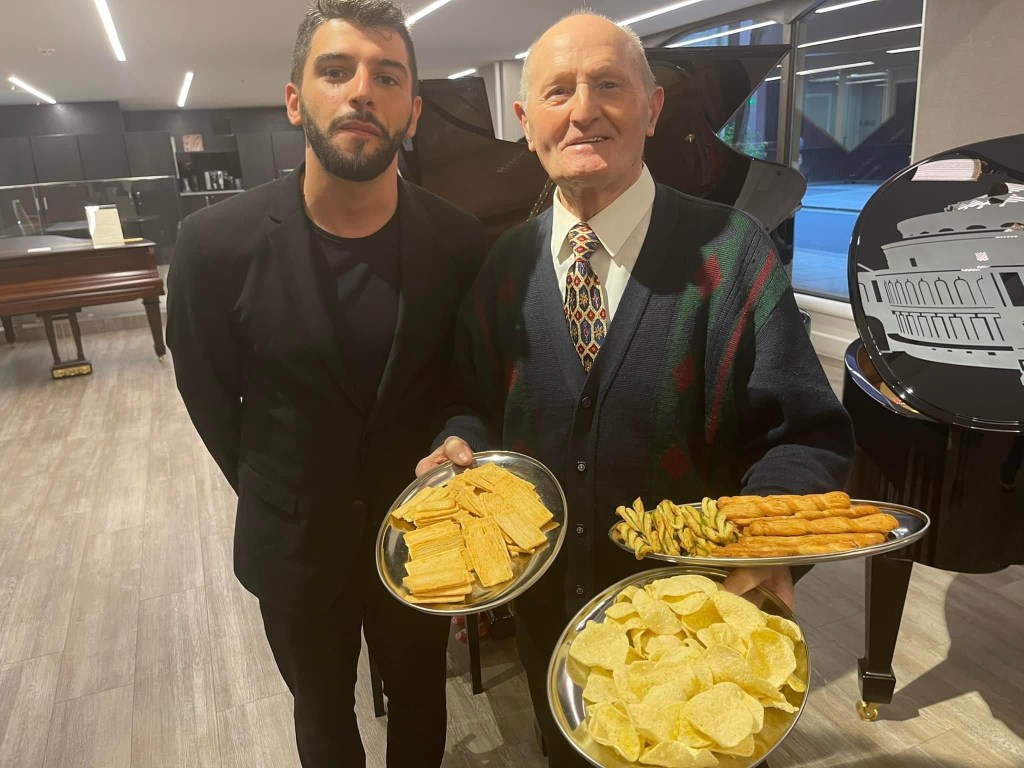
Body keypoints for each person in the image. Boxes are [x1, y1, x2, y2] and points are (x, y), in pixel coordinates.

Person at [417, 12, 854, 766]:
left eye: (608, 86)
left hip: (699, 630)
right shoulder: (501, 269)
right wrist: (459, 445)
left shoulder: (733, 253)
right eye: (558, 91)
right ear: (526, 122)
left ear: (652, 110)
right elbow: (470, 401)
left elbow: (806, 436)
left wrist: (770, 543)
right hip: (551, 627)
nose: (583, 110)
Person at [166, 1, 486, 765]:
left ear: (413, 112)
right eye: (336, 71)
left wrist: (461, 436)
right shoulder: (213, 247)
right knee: (321, 716)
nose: (361, 92)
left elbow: (472, 383)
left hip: (422, 537)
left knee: (422, 701)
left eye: (387, 77)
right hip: (295, 545)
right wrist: (280, 485)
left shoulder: (462, 242)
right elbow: (210, 397)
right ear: (294, 99)